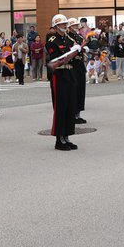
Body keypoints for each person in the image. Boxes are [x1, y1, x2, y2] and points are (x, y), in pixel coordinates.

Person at [45, 14, 79, 150]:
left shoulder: (69, 39)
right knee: (60, 107)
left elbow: (75, 56)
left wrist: (79, 50)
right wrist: (70, 51)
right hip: (59, 75)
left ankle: (67, 136)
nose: (65, 26)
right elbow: (55, 57)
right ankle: (59, 139)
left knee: (70, 106)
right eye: (62, 24)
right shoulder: (52, 41)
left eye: (66, 24)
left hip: (69, 73)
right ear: (56, 26)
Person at [67, 17, 88, 125]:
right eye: (74, 26)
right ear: (69, 27)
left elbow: (83, 45)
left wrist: (85, 48)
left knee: (81, 90)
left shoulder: (79, 36)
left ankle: (78, 113)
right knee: (74, 90)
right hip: (72, 64)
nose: (76, 27)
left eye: (76, 25)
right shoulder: (67, 37)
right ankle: (73, 114)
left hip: (80, 64)